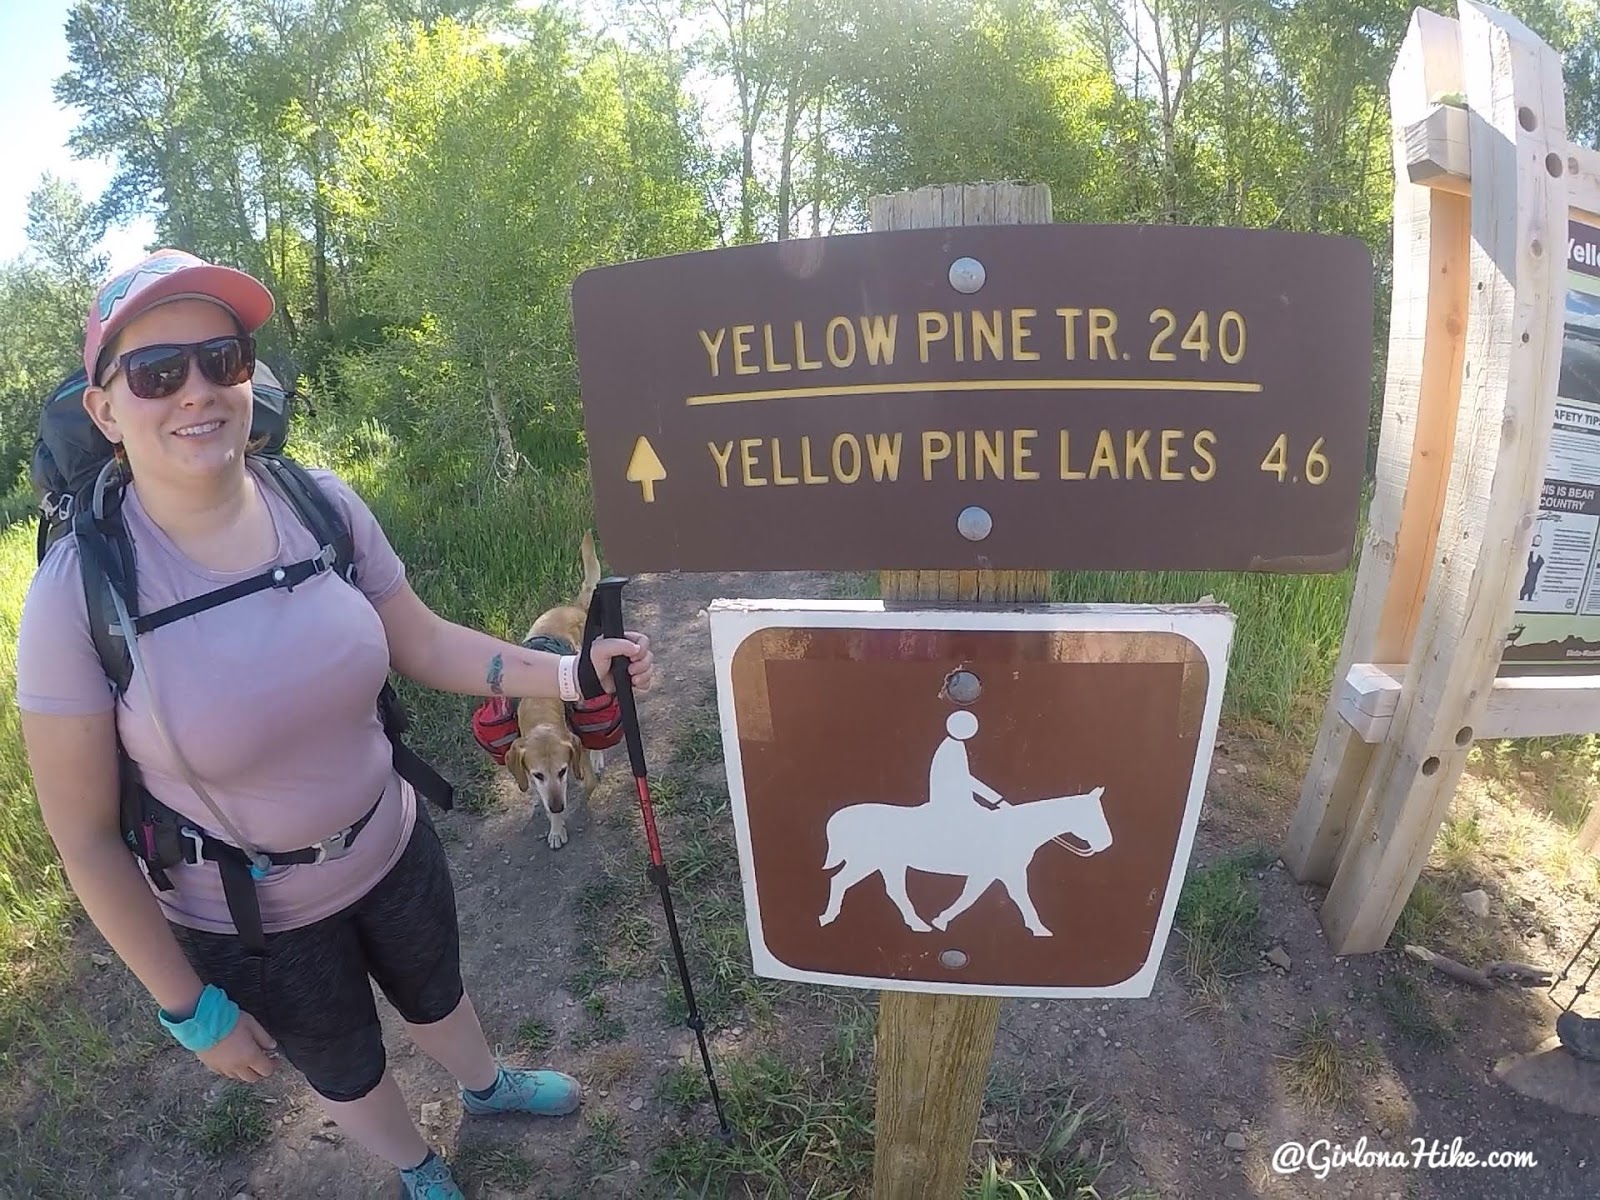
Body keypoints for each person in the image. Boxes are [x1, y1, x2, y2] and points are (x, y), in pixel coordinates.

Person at [14, 249, 655, 1200]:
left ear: (248, 378)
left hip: (392, 844)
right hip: (250, 916)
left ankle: (485, 1088)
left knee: (438, 992)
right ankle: (416, 1168)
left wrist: (570, 668)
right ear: (106, 410)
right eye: (156, 372)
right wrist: (187, 1010)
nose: (197, 390)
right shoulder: (77, 598)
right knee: (344, 1063)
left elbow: (424, 641)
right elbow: (84, 836)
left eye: (222, 359)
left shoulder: (318, 504)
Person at [926, 710, 1006, 816]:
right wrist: (996, 799)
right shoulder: (952, 748)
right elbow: (964, 779)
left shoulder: (953, 745)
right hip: (952, 805)